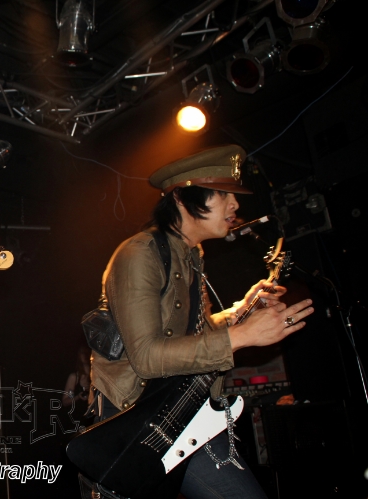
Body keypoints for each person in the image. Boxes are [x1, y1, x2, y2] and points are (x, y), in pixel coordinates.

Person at [86, 145, 314, 499]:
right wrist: (242, 336)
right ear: (181, 196)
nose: (235, 205)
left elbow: (193, 336)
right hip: (140, 422)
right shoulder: (139, 253)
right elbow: (147, 357)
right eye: (223, 194)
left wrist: (242, 310)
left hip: (184, 413)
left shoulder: (191, 254)